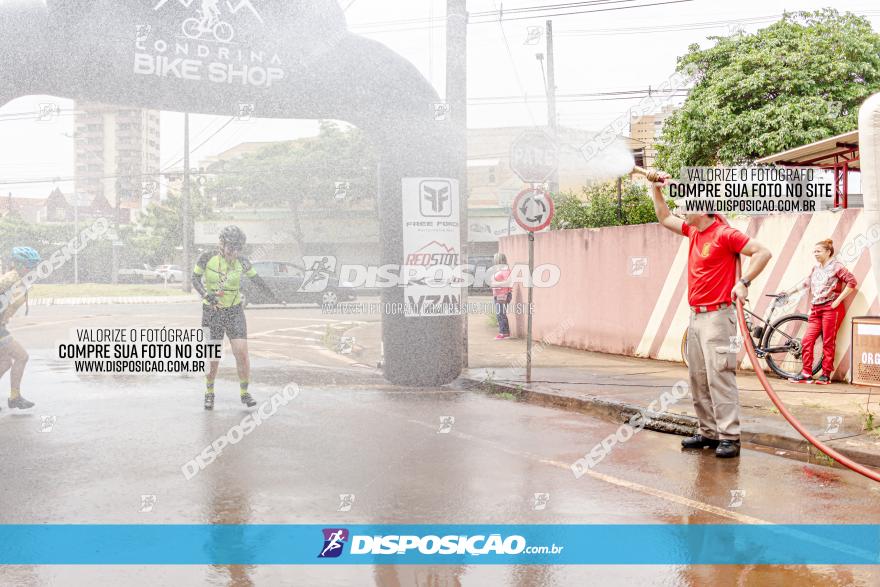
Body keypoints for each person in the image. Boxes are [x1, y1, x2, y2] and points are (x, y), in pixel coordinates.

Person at [650, 171, 772, 458]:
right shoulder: (694, 231)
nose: (682, 207)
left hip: (719, 316)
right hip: (696, 317)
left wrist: (743, 283)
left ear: (703, 209)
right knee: (698, 377)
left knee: (720, 376)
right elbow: (665, 218)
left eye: (687, 203)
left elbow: (763, 252)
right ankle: (707, 432)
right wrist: (657, 190)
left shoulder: (724, 234)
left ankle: (729, 436)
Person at [192, 225, 280, 410]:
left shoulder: (243, 261)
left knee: (241, 352)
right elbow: (195, 279)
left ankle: (244, 393)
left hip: (234, 311)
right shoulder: (207, 258)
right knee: (213, 358)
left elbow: (257, 280)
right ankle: (209, 392)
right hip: (212, 312)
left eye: (239, 248)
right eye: (232, 247)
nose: (235, 252)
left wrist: (274, 295)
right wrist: (206, 295)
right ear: (221, 244)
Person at [783, 239, 857, 384]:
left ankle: (826, 375)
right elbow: (806, 283)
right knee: (806, 341)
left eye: (818, 251)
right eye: (814, 251)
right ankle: (806, 374)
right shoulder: (815, 268)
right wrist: (787, 293)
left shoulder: (837, 266)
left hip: (831, 309)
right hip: (816, 309)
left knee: (828, 342)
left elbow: (852, 282)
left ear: (828, 252)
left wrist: (838, 300)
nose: (815, 254)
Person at [0, 247, 42, 410]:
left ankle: (15, 397)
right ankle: (15, 397)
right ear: (18, 265)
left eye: (33, 266)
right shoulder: (10, 278)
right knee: (21, 356)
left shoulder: (19, 279)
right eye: (29, 266)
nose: (32, 269)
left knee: (4, 363)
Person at [491, 252, 512, 340]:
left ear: (499, 260)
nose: (494, 261)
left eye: (495, 259)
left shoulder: (505, 270)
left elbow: (508, 282)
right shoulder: (499, 270)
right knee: (500, 314)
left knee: (501, 314)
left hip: (503, 295)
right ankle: (504, 332)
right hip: (499, 295)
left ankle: (503, 333)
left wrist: (495, 284)